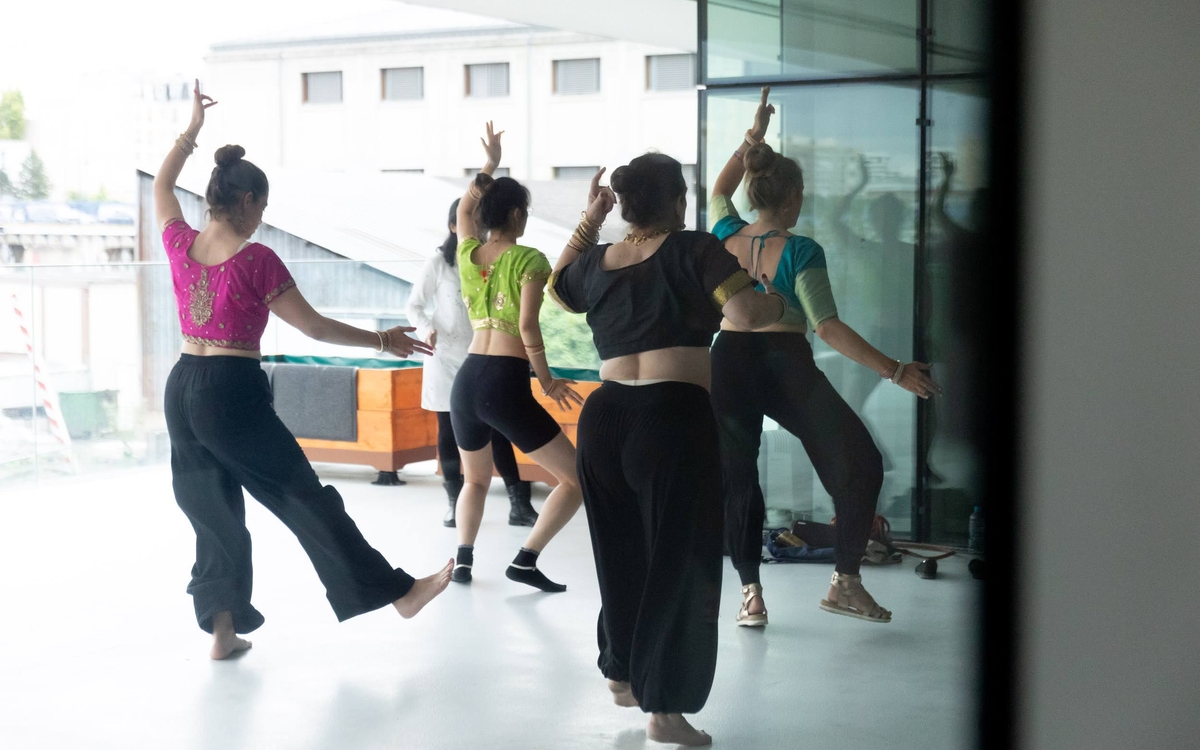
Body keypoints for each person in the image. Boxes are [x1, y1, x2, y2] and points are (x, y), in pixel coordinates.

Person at [155, 81, 452, 660]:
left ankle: (221, 632)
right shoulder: (256, 260)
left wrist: (191, 132)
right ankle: (397, 593)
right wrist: (383, 340)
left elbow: (163, 185)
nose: (263, 218)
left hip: (183, 385)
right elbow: (313, 328)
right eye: (261, 207)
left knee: (212, 511)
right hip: (231, 393)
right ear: (244, 202)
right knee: (303, 498)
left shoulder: (178, 242)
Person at [548, 156, 787, 746]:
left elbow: (557, 289)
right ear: (678, 199)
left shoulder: (600, 259)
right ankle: (666, 711)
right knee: (680, 561)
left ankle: (624, 671)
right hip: (671, 418)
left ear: (624, 205)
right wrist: (775, 299)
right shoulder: (693, 249)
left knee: (620, 550)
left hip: (603, 421)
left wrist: (588, 220)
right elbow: (745, 312)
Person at [708, 87, 942, 628]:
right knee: (860, 463)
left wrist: (753, 138)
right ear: (792, 196)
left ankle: (751, 595)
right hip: (785, 364)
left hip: (730, 361)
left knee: (740, 477)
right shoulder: (802, 250)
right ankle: (845, 581)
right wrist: (896, 371)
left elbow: (720, 188)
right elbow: (828, 328)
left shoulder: (724, 233)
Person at [448, 122, 584, 592]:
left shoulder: (468, 254)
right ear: (516, 213)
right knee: (575, 479)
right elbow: (527, 327)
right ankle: (526, 560)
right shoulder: (529, 259)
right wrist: (545, 380)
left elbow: (465, 209)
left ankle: (463, 560)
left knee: (476, 480)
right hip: (503, 380)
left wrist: (489, 163)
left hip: (466, 380)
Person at [405, 198, 538, 529]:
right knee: (448, 429)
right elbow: (414, 305)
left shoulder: (491, 259)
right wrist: (427, 329)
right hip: (443, 356)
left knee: (499, 426)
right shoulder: (439, 262)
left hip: (481, 355)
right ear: (455, 225)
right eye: (472, 222)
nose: (479, 229)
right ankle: (453, 500)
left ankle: (518, 502)